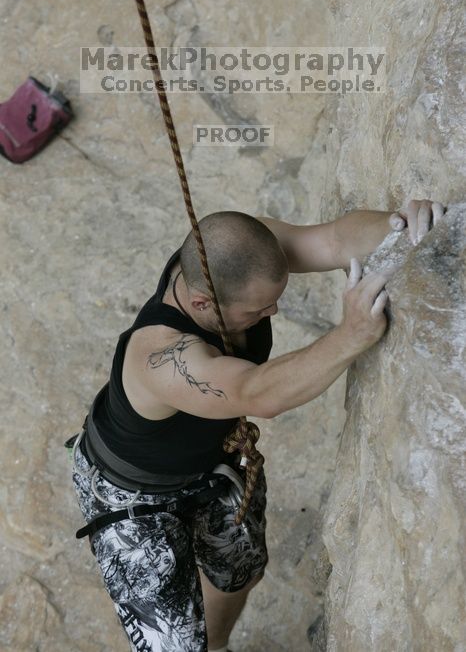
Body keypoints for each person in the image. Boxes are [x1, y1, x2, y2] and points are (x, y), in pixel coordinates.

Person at [70, 199, 444, 652]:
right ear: (202, 302)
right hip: (135, 494)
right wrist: (351, 335)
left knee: (239, 572)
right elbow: (257, 392)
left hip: (210, 463)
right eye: (258, 310)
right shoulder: (161, 358)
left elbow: (331, 240)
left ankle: (219, 644)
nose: (273, 315)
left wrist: (400, 227)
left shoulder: (239, 252)